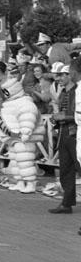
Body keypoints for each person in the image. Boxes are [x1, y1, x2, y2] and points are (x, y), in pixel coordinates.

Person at [49, 65, 77, 213]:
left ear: (69, 75)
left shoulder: (77, 91)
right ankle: (67, 203)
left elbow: (77, 114)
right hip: (64, 132)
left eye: (61, 75)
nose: (58, 78)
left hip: (75, 133)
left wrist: (62, 116)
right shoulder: (63, 93)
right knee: (65, 169)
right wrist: (57, 118)